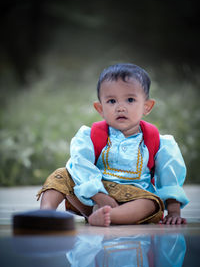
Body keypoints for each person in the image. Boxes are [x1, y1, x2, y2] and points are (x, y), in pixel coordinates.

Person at [37, 63, 189, 226]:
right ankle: (45, 212)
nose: (120, 107)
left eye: (130, 99)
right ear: (100, 108)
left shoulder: (157, 141)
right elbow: (80, 165)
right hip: (93, 195)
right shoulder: (91, 135)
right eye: (111, 101)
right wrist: (99, 195)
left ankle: (111, 216)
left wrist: (173, 211)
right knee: (62, 174)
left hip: (135, 197)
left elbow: (169, 175)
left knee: (151, 203)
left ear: (147, 106)